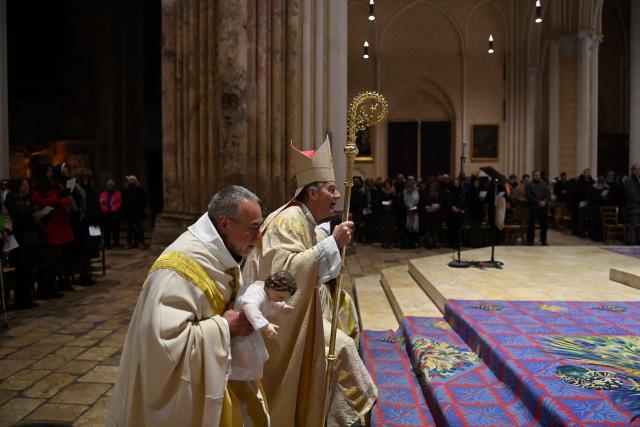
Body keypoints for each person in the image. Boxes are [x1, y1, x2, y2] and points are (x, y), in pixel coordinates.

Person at [243, 137, 377, 427]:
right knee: (338, 348)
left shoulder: (302, 219)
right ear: (312, 193)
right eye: (331, 189)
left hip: (294, 312)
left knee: (344, 315)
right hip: (277, 320)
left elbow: (309, 262)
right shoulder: (288, 220)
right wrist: (331, 244)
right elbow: (284, 275)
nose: (338, 195)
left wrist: (331, 244)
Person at [107, 186, 268, 426]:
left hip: (220, 375)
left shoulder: (221, 253)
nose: (259, 236)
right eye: (253, 227)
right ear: (224, 224)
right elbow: (162, 344)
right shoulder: (177, 270)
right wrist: (224, 326)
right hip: (179, 401)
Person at [230, 271, 296, 382]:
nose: (281, 300)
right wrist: (265, 325)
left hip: (250, 331)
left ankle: (244, 380)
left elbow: (271, 302)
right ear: (273, 288)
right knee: (244, 355)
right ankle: (235, 378)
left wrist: (282, 307)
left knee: (258, 354)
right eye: (281, 297)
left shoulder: (268, 294)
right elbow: (250, 307)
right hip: (240, 329)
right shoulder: (256, 292)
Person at [525, 170, 551, 245]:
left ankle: (543, 240)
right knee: (531, 225)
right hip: (533, 207)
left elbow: (548, 194)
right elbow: (529, 196)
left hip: (543, 207)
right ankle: (530, 240)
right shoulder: (529, 185)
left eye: (538, 175)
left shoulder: (544, 184)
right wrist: (538, 202)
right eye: (535, 175)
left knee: (544, 225)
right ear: (533, 176)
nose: (537, 176)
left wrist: (544, 201)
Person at [122, 175, 147, 249]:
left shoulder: (140, 190)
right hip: (129, 211)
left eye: (133, 180)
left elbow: (144, 200)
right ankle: (128, 243)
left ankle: (140, 242)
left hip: (138, 211)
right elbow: (124, 201)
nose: (131, 181)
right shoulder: (125, 190)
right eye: (130, 180)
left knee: (139, 228)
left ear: (136, 181)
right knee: (130, 228)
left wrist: (142, 209)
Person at [99, 179, 122, 248]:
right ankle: (107, 244)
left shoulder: (118, 194)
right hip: (106, 213)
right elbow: (101, 203)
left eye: (111, 186)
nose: (110, 187)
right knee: (106, 230)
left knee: (116, 229)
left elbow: (119, 203)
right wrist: (105, 209)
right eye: (109, 186)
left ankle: (116, 244)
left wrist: (113, 209)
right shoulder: (103, 194)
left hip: (114, 213)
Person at [624, 164, 640, 245]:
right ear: (633, 171)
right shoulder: (628, 180)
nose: (639, 171)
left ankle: (638, 240)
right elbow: (631, 193)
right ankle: (631, 241)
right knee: (633, 224)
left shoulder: (639, 179)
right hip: (634, 205)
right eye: (638, 169)